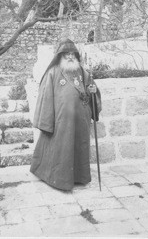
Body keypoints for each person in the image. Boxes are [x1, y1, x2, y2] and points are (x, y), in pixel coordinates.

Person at [30, 38, 101, 191]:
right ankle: (58, 180)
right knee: (61, 149)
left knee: (78, 147)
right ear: (60, 56)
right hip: (61, 121)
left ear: (76, 56)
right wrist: (47, 122)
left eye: (72, 54)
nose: (70, 56)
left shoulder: (83, 72)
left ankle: (79, 178)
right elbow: (45, 97)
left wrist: (93, 92)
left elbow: (92, 89)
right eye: (66, 54)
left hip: (81, 120)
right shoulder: (53, 72)